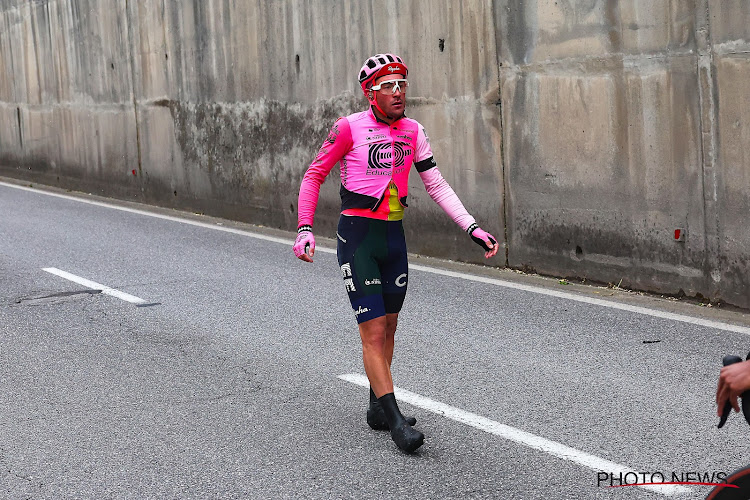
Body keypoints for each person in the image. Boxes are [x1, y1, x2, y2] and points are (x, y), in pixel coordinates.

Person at [293, 53, 499, 452]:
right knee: (371, 331)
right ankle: (395, 421)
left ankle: (375, 404)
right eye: (388, 85)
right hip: (358, 238)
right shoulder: (348, 128)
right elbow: (314, 174)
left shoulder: (413, 131)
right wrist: (305, 228)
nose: (398, 91)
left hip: (393, 239)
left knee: (389, 326)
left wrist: (472, 227)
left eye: (402, 83)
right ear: (370, 93)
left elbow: (436, 184)